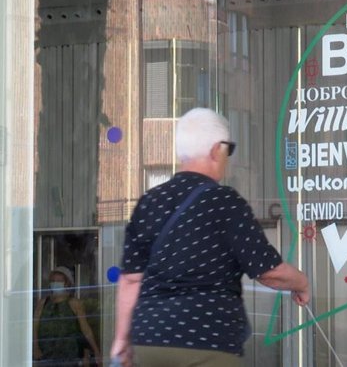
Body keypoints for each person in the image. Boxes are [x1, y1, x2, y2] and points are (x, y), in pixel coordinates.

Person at [110, 108, 310, 367]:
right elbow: (268, 271)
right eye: (230, 149)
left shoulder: (150, 202)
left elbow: (130, 280)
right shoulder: (224, 202)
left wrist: (121, 339)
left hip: (150, 341)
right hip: (206, 341)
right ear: (217, 150)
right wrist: (302, 282)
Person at [33, 266, 102, 366]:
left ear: (67, 283)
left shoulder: (74, 303)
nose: (55, 283)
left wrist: (95, 350)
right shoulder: (43, 303)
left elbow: (85, 328)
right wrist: (35, 347)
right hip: (46, 353)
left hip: (68, 354)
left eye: (59, 280)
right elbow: (35, 326)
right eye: (53, 280)